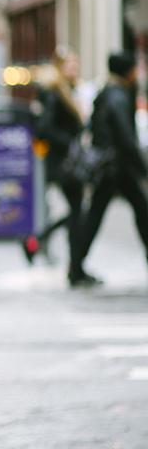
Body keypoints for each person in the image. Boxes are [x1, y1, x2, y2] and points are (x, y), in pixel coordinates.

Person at [69, 52, 148, 287]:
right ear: (128, 71)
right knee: (132, 212)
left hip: (110, 166)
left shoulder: (107, 93)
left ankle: (76, 266)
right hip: (116, 167)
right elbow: (126, 138)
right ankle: (76, 267)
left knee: (135, 211)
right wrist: (143, 169)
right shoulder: (118, 97)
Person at [23, 46, 84, 267]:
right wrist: (68, 141)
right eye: (70, 64)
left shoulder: (69, 90)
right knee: (76, 211)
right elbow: (44, 128)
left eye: (77, 64)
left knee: (75, 210)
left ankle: (41, 242)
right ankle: (41, 241)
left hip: (66, 160)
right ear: (59, 67)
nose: (75, 68)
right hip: (61, 161)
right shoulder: (53, 92)